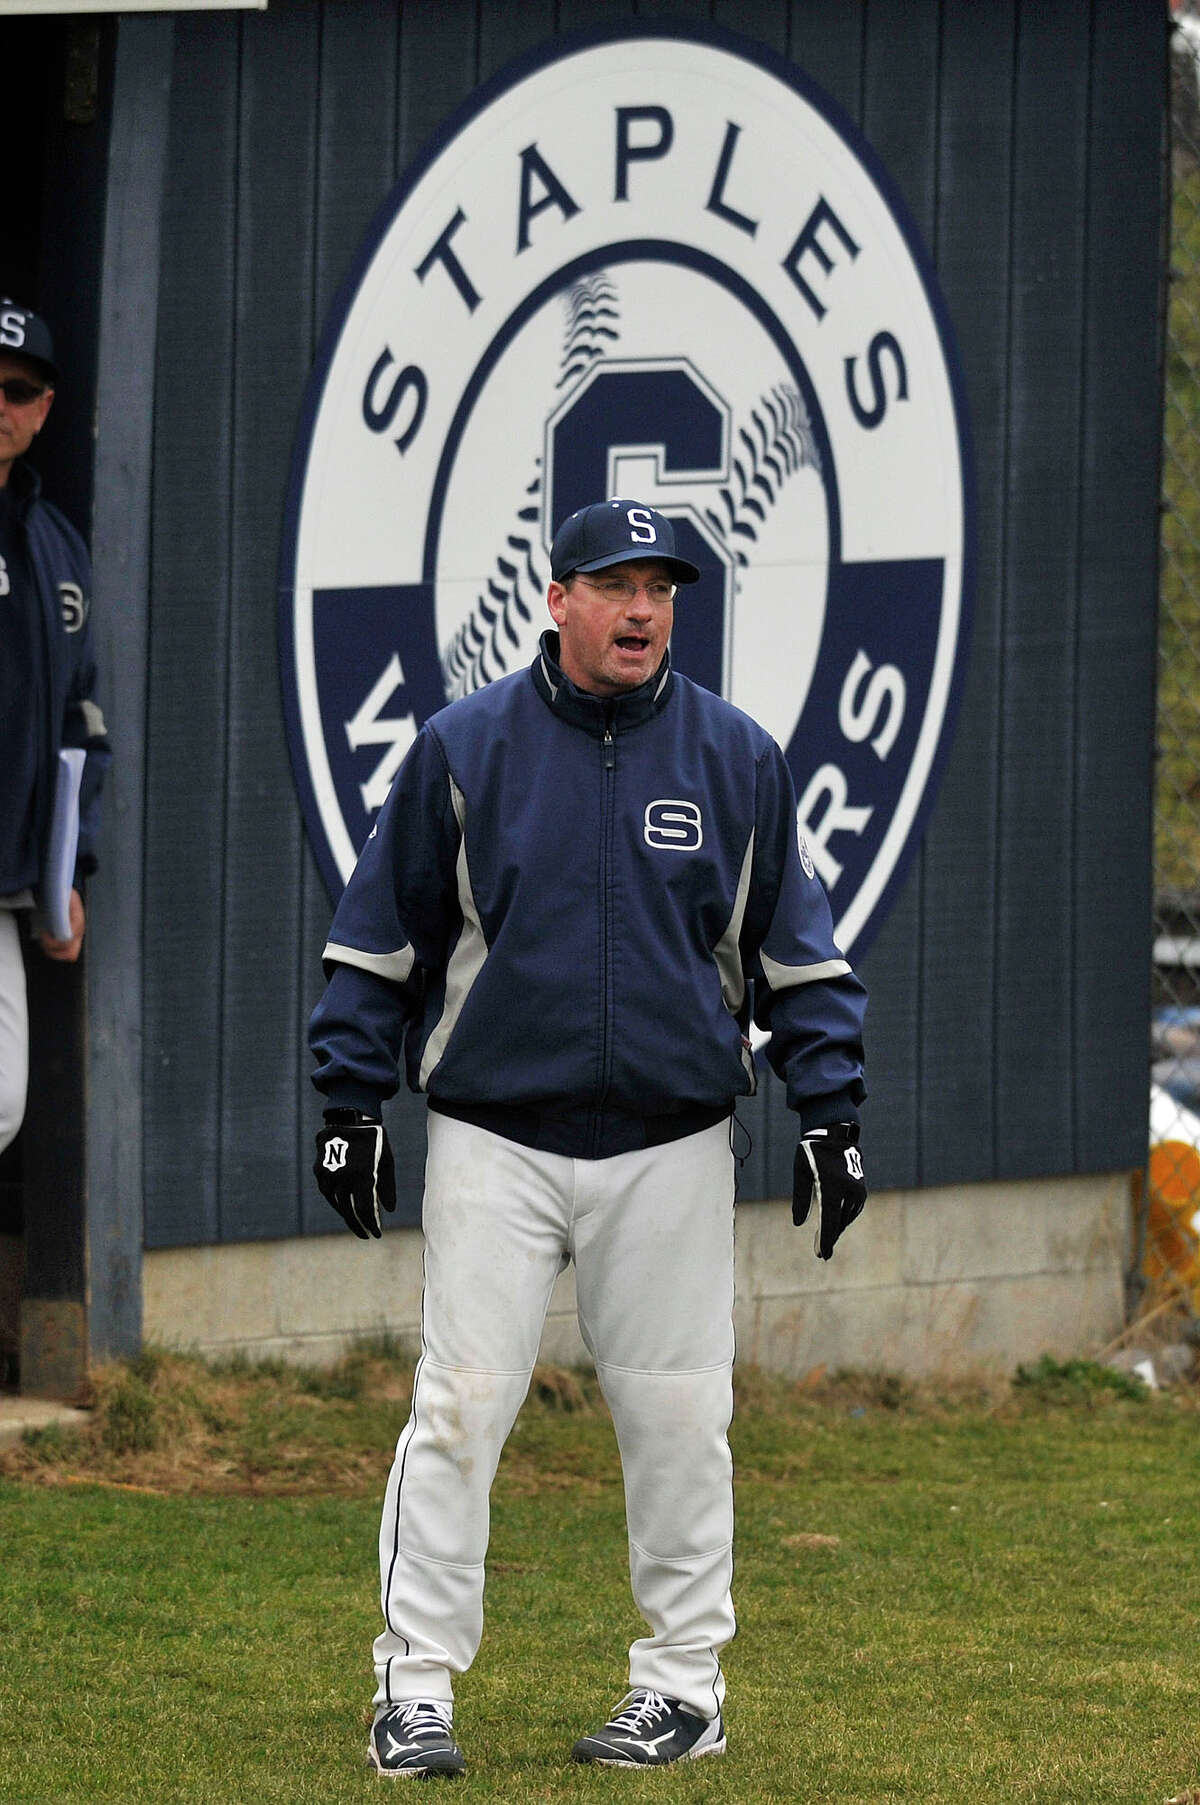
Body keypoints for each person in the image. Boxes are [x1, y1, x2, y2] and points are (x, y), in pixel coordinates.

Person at [309, 498, 868, 1777]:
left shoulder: (736, 757)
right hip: (495, 1136)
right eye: (614, 583)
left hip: (671, 1142)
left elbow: (800, 956)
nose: (641, 609)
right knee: (457, 1409)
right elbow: (377, 946)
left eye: (661, 588)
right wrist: (349, 1104)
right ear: (554, 597)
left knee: (679, 1421)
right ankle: (415, 1687)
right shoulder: (465, 748)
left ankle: (681, 1686)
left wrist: (831, 1112)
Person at [0, 299, 110, 1157]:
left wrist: (64, 868)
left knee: (4, 1100)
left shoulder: (56, 546)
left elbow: (81, 719)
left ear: (42, 411)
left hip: (9, 880)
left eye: (17, 388)